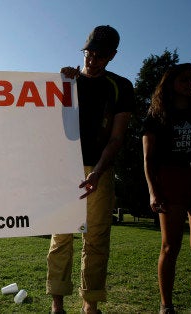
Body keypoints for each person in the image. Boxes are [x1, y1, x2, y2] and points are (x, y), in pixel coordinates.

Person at [47, 25, 134, 314]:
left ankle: (90, 303)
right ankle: (57, 302)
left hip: (100, 167)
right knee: (61, 235)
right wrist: (61, 83)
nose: (91, 60)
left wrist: (97, 171)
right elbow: (46, 124)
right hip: (65, 167)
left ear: (112, 56)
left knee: (96, 238)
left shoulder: (121, 86)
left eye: (99, 55)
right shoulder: (67, 81)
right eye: (88, 53)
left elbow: (117, 137)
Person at [142, 63, 191, 314]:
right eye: (184, 79)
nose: (190, 84)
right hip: (171, 181)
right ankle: (166, 306)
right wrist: (153, 191)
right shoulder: (156, 115)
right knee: (170, 245)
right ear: (171, 82)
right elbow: (148, 159)